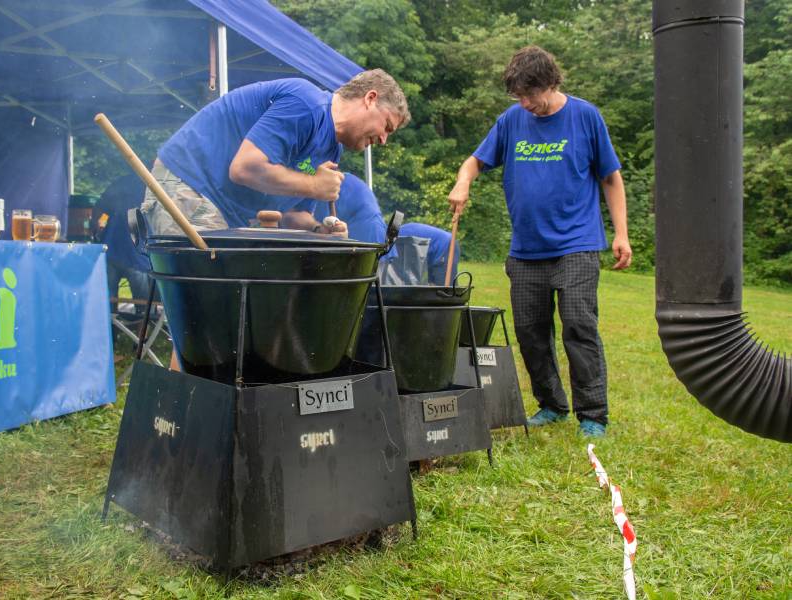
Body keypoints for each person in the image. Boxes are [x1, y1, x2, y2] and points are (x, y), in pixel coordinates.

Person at [447, 46, 632, 437]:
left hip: (576, 244)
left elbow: (611, 178)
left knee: (579, 326)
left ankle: (593, 414)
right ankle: (551, 405)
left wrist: (622, 233)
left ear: (551, 82)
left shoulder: (585, 117)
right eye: (518, 96)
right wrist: (463, 182)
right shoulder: (512, 120)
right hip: (527, 250)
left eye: (530, 94)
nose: (525, 103)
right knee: (530, 332)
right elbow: (474, 161)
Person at [141, 70, 410, 236]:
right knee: (215, 306)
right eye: (387, 126)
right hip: (188, 186)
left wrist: (320, 230)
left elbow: (294, 216)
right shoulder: (307, 103)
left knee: (232, 309)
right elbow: (244, 168)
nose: (384, 140)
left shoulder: (331, 149)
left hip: (221, 209)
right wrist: (314, 184)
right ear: (370, 98)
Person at [313, 174, 459, 284]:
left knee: (442, 297)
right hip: (408, 241)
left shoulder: (371, 227)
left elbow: (379, 262)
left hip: (444, 247)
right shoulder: (376, 229)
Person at [97, 173, 151, 318]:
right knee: (143, 305)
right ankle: (142, 337)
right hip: (134, 253)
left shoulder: (122, 181)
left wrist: (97, 234)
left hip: (117, 250)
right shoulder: (153, 184)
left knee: (107, 300)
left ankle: (112, 332)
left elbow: (99, 208)